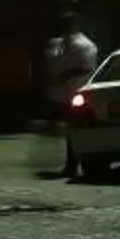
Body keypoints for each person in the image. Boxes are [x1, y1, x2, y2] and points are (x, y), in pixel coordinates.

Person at [40, 17, 99, 175]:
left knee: (74, 129)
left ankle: (76, 163)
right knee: (66, 129)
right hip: (59, 94)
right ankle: (71, 163)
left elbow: (87, 68)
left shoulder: (85, 46)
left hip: (76, 93)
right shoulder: (57, 44)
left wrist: (65, 75)